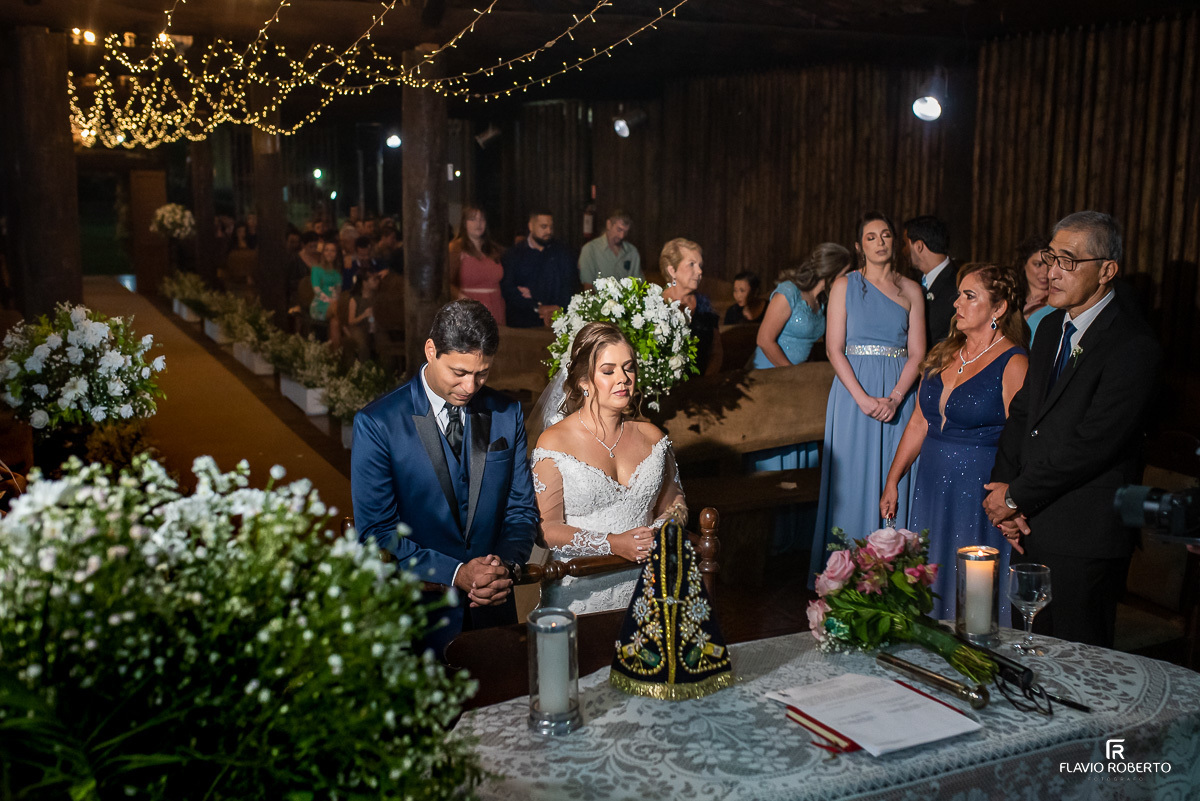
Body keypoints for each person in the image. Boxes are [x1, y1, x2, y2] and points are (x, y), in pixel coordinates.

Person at [984, 211, 1161, 648]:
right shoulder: (1048, 329)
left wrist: (1014, 496)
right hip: (1030, 524)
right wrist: (1006, 485)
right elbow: (1023, 414)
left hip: (1083, 532)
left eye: (1067, 261)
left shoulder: (1133, 345)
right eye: (1049, 257)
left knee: (1074, 662)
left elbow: (1093, 445)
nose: (1051, 273)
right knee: (1026, 647)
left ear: (1107, 271)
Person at [351, 300, 539, 657]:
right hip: (418, 616)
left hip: (493, 613)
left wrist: (502, 567)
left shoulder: (506, 412)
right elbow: (376, 532)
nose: (470, 386)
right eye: (459, 372)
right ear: (431, 350)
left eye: (481, 373)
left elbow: (520, 510)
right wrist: (456, 573)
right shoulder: (378, 423)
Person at [880, 263, 1029, 622]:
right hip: (931, 484)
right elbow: (918, 421)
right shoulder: (943, 352)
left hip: (976, 490)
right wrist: (893, 479)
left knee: (972, 590)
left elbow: (1023, 439)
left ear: (998, 308)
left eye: (969, 296)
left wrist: (1014, 501)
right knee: (930, 573)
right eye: (959, 294)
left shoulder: (1014, 362)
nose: (957, 303)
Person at [530, 322, 687, 615]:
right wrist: (612, 544)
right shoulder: (554, 442)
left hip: (649, 584)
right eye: (609, 371)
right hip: (581, 590)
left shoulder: (653, 437)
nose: (623, 379)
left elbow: (675, 503)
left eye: (628, 368)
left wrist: (658, 533)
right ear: (583, 382)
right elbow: (546, 528)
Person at [811, 212, 926, 580]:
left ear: (896, 242)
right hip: (852, 394)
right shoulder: (845, 285)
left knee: (895, 476)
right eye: (871, 237)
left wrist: (894, 398)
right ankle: (846, 574)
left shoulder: (911, 290)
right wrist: (862, 398)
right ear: (860, 246)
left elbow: (918, 353)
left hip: (898, 393)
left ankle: (892, 572)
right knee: (854, 479)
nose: (880, 242)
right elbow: (834, 348)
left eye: (886, 235)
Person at [753, 245, 850, 369]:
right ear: (830, 272)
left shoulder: (822, 300)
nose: (847, 279)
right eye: (844, 274)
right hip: (770, 371)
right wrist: (792, 373)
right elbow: (764, 340)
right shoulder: (789, 291)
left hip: (799, 373)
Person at [500, 210, 577, 328]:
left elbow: (569, 284)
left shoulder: (562, 252)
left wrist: (558, 308)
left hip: (558, 322)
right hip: (523, 324)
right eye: (544, 226)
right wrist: (537, 307)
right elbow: (508, 289)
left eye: (551, 227)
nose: (549, 231)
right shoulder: (514, 254)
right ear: (531, 226)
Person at [661, 238, 722, 376]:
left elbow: (716, 351)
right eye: (692, 264)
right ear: (672, 270)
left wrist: (706, 382)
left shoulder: (704, 305)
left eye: (700, 265)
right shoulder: (656, 306)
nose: (699, 271)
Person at [903, 215, 956, 346]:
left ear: (918, 246)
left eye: (905, 244)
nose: (903, 251)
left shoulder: (957, 283)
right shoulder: (913, 283)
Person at [449, 205, 507, 326]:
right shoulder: (456, 248)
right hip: (469, 309)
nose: (478, 223)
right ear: (464, 223)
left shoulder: (494, 249)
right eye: (473, 219)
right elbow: (446, 282)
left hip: (496, 306)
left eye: (482, 219)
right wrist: (461, 297)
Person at [579, 210, 641, 290]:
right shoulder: (590, 250)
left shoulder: (632, 252)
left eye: (625, 232)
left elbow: (638, 284)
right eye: (619, 230)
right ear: (608, 224)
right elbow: (588, 288)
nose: (622, 236)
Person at [1013, 234, 1054, 341]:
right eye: (1038, 264)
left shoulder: (1060, 301)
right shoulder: (1013, 300)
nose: (1045, 272)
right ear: (1023, 264)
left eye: (1050, 265)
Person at [344, 265, 381, 362]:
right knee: (362, 345)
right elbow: (351, 321)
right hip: (359, 327)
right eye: (373, 279)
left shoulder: (376, 298)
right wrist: (364, 315)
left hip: (373, 327)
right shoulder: (355, 299)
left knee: (382, 342)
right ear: (365, 282)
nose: (377, 282)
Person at [311, 238, 342, 347]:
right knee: (337, 309)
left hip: (334, 304)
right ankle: (348, 331)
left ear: (336, 254)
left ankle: (334, 356)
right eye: (327, 250)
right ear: (323, 253)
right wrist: (329, 301)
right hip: (320, 304)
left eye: (332, 250)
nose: (329, 253)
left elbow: (338, 291)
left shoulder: (337, 274)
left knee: (335, 322)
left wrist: (334, 301)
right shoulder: (316, 270)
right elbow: (317, 290)